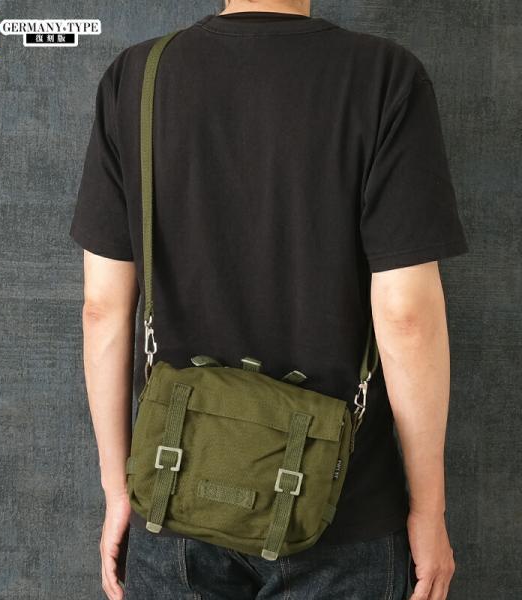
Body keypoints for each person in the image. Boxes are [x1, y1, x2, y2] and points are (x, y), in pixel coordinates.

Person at [69, 1, 467, 598]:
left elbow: (102, 309)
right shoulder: (385, 77)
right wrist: (428, 510)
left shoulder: (137, 76)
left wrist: (117, 491)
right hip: (344, 508)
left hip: (172, 499)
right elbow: (406, 316)